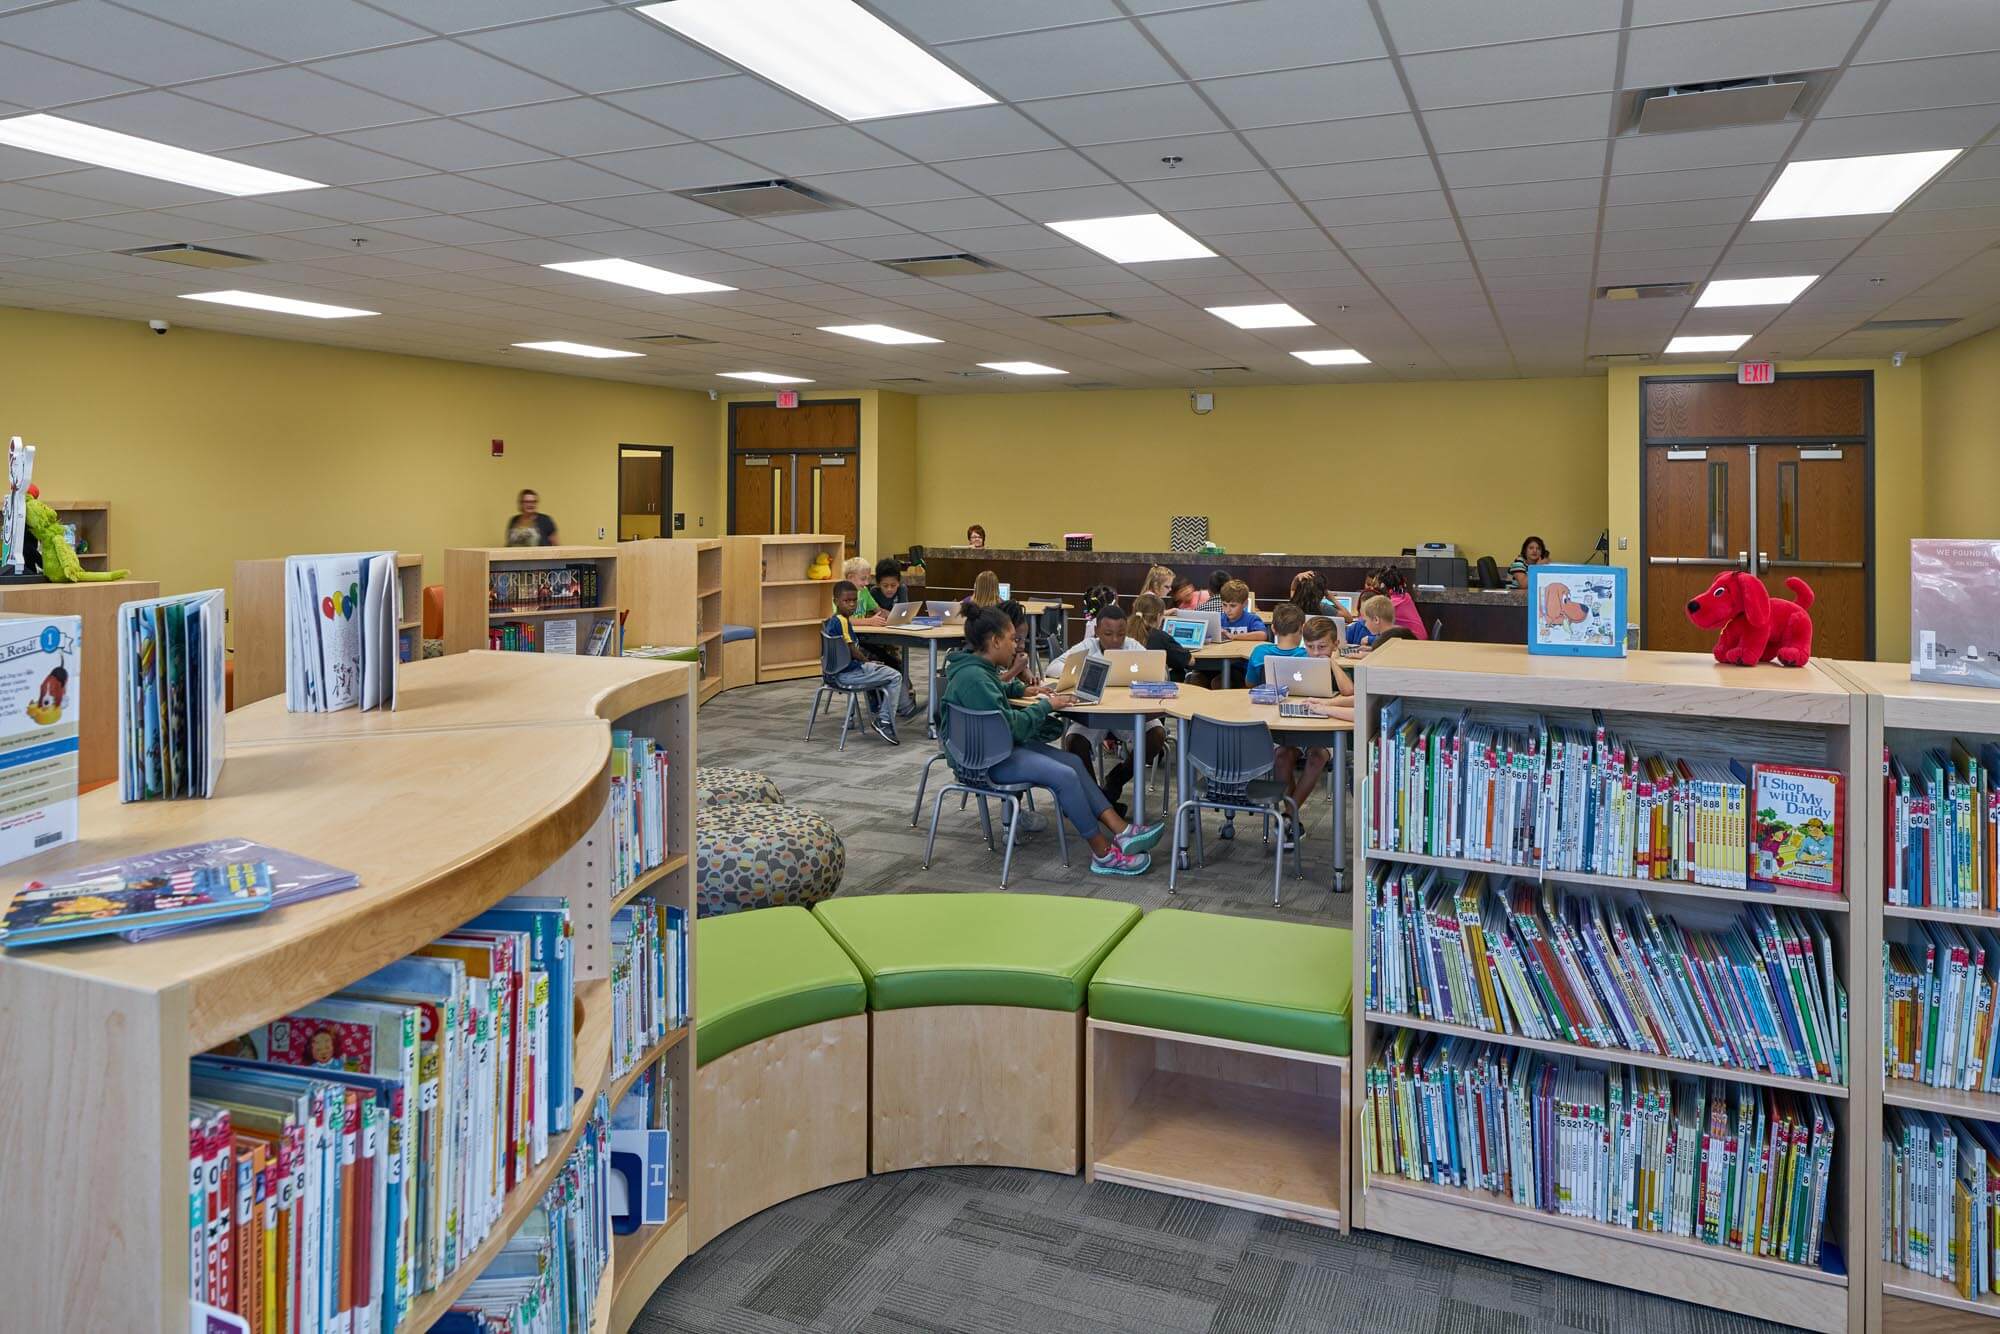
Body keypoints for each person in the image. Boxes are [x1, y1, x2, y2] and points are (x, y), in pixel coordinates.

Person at [942, 608, 1161, 877]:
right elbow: (1014, 727)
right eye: (1012, 639)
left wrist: (1023, 689)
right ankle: (1103, 853)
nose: (1016, 645)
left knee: (1071, 761)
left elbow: (997, 689)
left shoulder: (976, 670)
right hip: (983, 762)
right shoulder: (974, 679)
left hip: (991, 749)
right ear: (995, 641)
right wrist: (1047, 705)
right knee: (1065, 775)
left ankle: (1122, 830)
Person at [823, 581, 904, 745]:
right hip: (846, 675)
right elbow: (852, 650)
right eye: (847, 601)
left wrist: (870, 664)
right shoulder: (843, 621)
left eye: (854, 601)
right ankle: (884, 721)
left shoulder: (834, 620)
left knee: (881, 667)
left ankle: (879, 711)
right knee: (895, 676)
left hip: (835, 673)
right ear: (836, 601)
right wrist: (867, 662)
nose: (852, 605)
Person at [1130, 593, 1191, 682]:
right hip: (1156, 687)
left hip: (1125, 683)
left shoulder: (1123, 633)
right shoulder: (1160, 637)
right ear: (1159, 616)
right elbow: (1189, 661)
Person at [1247, 603, 1309, 686]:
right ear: (1303, 629)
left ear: (1273, 628)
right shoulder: (1308, 655)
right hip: (1302, 699)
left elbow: (1250, 684)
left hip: (1268, 698)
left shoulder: (1259, 652)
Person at [1374, 566, 1430, 639]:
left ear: (1383, 586)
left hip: (1414, 642)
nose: (1375, 586)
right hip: (1418, 638)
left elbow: (1373, 621)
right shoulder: (1405, 596)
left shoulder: (1392, 604)